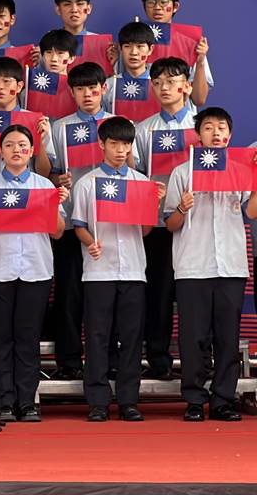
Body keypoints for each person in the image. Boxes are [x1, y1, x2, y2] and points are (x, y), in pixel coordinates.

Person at [165, 107, 256, 422]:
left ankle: (223, 400)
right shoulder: (183, 173)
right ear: (198, 134)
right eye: (208, 127)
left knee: (227, 338)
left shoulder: (241, 171)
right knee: (193, 338)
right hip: (193, 265)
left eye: (221, 128)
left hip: (230, 265)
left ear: (229, 135)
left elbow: (252, 212)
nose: (215, 133)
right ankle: (194, 399)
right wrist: (181, 207)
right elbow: (170, 224)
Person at [0, 124, 67, 422]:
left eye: (22, 145)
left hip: (35, 270)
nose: (16, 150)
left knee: (28, 338)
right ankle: (3, 401)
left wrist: (55, 205)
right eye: (10, 145)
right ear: (0, 152)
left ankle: (27, 402)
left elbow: (58, 232)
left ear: (31, 151)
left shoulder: (44, 186)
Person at [71, 116, 160, 422]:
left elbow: (145, 231)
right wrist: (90, 242)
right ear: (101, 144)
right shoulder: (88, 183)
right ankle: (97, 401)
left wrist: (153, 205)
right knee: (97, 336)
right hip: (98, 270)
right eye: (114, 144)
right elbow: (79, 225)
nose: (121, 150)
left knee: (132, 337)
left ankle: (128, 400)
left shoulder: (142, 183)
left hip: (133, 269)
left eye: (126, 144)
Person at [48, 62, 118, 381]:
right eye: (80, 89)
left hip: (110, 225)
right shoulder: (60, 129)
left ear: (104, 89)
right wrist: (56, 178)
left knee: (107, 296)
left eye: (93, 88)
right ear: (71, 92)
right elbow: (46, 173)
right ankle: (69, 360)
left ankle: (109, 359)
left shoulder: (118, 125)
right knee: (69, 294)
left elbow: (132, 171)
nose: (87, 94)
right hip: (70, 223)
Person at [130, 56, 195, 380]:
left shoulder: (203, 126)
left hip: (196, 225)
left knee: (195, 297)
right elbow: (136, 176)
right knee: (158, 294)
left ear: (187, 85)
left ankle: (200, 362)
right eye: (157, 83)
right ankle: (159, 361)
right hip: (157, 224)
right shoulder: (143, 130)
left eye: (171, 81)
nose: (164, 88)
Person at [0, 57, 54, 179]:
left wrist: (39, 141)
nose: (0, 87)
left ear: (19, 86)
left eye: (6, 81)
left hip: (27, 187)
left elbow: (44, 173)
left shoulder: (37, 121)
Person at [140, 0, 211, 107]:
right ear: (144, 6)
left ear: (175, 6)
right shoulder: (133, 42)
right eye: (151, 2)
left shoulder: (191, 42)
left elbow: (199, 99)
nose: (157, 8)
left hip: (179, 116)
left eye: (163, 2)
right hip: (142, 116)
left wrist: (200, 61)